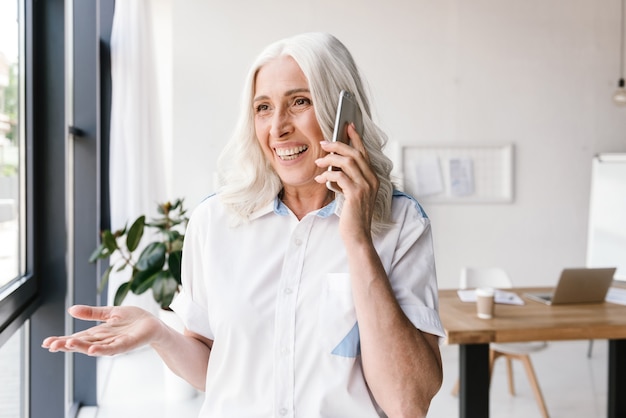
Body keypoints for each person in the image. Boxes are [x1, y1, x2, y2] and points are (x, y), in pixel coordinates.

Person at [43, 32, 445, 418]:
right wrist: (158, 333)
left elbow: (407, 404)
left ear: (344, 117)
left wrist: (357, 242)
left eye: (300, 101)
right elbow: (213, 370)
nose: (277, 128)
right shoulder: (215, 221)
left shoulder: (400, 223)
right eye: (263, 107)